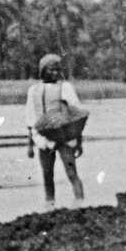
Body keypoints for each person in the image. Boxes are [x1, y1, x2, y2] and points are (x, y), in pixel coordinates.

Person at [24, 53, 85, 206]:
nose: (55, 73)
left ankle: (81, 205)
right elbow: (30, 119)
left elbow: (77, 115)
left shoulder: (65, 87)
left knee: (72, 172)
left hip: (64, 136)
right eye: (51, 70)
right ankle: (49, 205)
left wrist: (78, 141)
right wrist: (30, 145)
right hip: (43, 137)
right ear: (43, 70)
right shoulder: (34, 90)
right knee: (47, 174)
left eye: (58, 70)